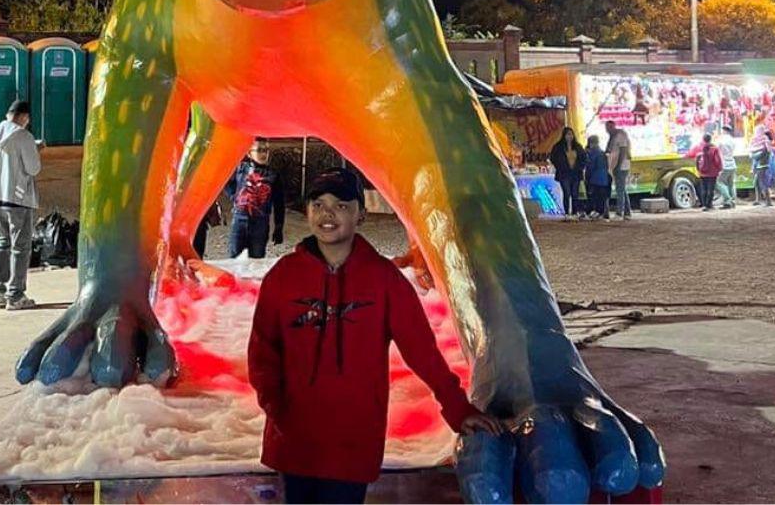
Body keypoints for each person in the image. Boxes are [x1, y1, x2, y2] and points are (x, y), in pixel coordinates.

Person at [248, 169, 500, 504]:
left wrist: (458, 408)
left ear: (360, 213)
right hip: (295, 440)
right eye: (319, 205)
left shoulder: (384, 281)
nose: (328, 215)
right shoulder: (282, 278)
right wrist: (277, 409)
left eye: (340, 205)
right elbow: (263, 352)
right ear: (307, 212)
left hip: (352, 442)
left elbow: (421, 350)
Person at [0, 100, 43, 310]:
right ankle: (15, 294)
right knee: (20, 246)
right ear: (25, 117)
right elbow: (33, 168)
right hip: (17, 198)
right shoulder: (23, 136)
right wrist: (36, 150)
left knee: (2, 241)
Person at [224, 139, 285, 258]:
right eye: (260, 150)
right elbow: (225, 182)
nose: (263, 154)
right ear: (249, 153)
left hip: (260, 223)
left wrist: (279, 226)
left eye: (266, 150)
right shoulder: (240, 169)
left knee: (256, 260)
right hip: (239, 220)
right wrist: (235, 196)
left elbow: (279, 203)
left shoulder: (273, 175)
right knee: (234, 258)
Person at [548, 127, 586, 221]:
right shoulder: (558, 147)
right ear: (564, 136)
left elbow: (584, 158)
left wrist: (580, 167)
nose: (569, 136)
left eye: (571, 134)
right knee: (566, 192)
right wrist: (559, 166)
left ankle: (574, 213)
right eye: (567, 134)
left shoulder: (578, 146)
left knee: (575, 194)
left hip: (575, 173)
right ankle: (566, 213)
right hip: (564, 174)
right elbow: (553, 158)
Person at [605, 120, 633, 220]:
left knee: (619, 190)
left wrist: (618, 165)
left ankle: (619, 213)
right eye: (607, 128)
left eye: (609, 127)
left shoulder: (620, 135)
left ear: (613, 126)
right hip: (616, 165)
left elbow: (623, 150)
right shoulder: (612, 137)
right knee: (622, 189)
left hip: (622, 166)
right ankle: (627, 212)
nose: (608, 130)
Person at [688, 133, 723, 212]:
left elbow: (691, 156)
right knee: (711, 189)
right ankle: (709, 204)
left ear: (703, 139)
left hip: (703, 172)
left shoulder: (698, 147)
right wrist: (720, 168)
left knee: (704, 188)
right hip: (712, 172)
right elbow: (717, 161)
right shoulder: (714, 149)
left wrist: (699, 170)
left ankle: (704, 205)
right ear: (711, 139)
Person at [583, 134, 611, 220]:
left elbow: (590, 167)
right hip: (604, 179)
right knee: (602, 197)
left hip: (595, 179)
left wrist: (587, 178)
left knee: (594, 197)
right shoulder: (602, 153)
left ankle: (595, 212)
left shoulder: (592, 153)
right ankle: (602, 212)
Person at [750, 126, 775, 207]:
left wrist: (756, 154)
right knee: (756, 183)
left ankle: (768, 202)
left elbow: (768, 151)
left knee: (762, 183)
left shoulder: (765, 140)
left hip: (762, 165)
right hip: (757, 164)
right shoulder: (756, 140)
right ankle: (758, 200)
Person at [715, 125, 738, 208]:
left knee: (719, 182)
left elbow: (716, 150)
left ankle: (727, 200)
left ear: (724, 131)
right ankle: (733, 201)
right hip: (732, 163)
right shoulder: (732, 140)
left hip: (724, 164)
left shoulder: (721, 140)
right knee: (731, 184)